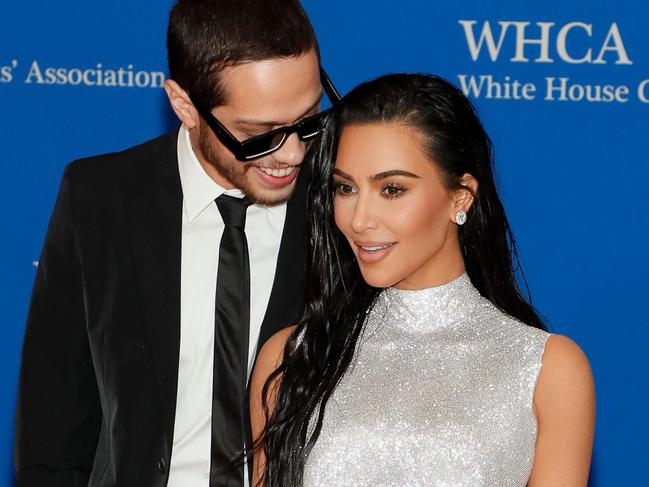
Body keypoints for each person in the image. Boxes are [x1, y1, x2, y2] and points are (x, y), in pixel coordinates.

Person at [14, 1, 340, 486]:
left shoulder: (344, 200)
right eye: (258, 135)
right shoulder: (99, 198)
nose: (292, 152)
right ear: (184, 104)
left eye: (308, 119)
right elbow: (53, 420)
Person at [250, 74, 595, 487]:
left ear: (460, 196)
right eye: (345, 188)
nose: (359, 219)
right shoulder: (291, 358)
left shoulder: (546, 369)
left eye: (392, 189)